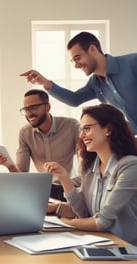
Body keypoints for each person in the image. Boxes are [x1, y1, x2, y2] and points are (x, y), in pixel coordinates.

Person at [44, 104, 137, 245]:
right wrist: (64, 178)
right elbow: (83, 212)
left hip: (127, 248)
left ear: (108, 129)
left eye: (87, 128)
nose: (81, 135)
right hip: (99, 242)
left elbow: (101, 222)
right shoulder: (90, 168)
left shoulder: (130, 166)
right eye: (82, 130)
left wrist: (66, 222)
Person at [20, 31, 137, 133]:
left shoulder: (132, 62)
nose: (76, 65)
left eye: (78, 58)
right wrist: (44, 82)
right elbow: (74, 99)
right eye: (73, 61)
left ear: (92, 49)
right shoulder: (95, 84)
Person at [0, 89, 80, 200]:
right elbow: (22, 175)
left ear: (47, 107)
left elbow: (86, 168)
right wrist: (9, 165)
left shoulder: (71, 126)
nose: (29, 113)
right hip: (44, 192)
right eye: (26, 109)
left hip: (70, 189)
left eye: (33, 107)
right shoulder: (25, 133)